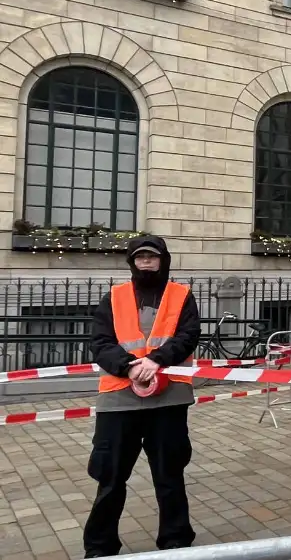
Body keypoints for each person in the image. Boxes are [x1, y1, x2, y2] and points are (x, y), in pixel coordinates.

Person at [83, 236, 202, 558]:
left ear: (163, 260)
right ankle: (100, 547)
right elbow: (101, 342)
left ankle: (175, 541)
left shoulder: (181, 295)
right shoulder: (115, 297)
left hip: (169, 399)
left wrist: (155, 360)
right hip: (119, 399)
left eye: (152, 257)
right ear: (131, 262)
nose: (146, 262)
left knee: (169, 476)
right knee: (109, 478)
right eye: (140, 258)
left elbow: (188, 336)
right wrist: (128, 367)